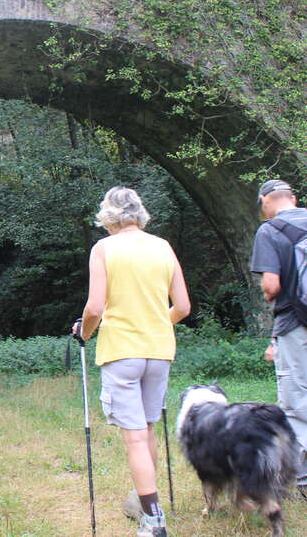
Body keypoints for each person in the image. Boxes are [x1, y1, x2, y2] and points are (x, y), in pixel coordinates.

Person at [72, 186, 190, 537]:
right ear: (140, 213)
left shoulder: (104, 248)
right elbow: (182, 308)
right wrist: (153, 323)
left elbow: (94, 308)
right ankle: (145, 503)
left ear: (108, 216)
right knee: (149, 428)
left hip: (122, 350)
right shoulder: (163, 247)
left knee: (135, 438)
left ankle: (153, 520)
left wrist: (85, 333)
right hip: (158, 350)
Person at [251, 179, 307, 498]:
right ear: (294, 198)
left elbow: (271, 285)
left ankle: (302, 482)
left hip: (296, 324)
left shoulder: (270, 230)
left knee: (297, 399)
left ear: (265, 201)